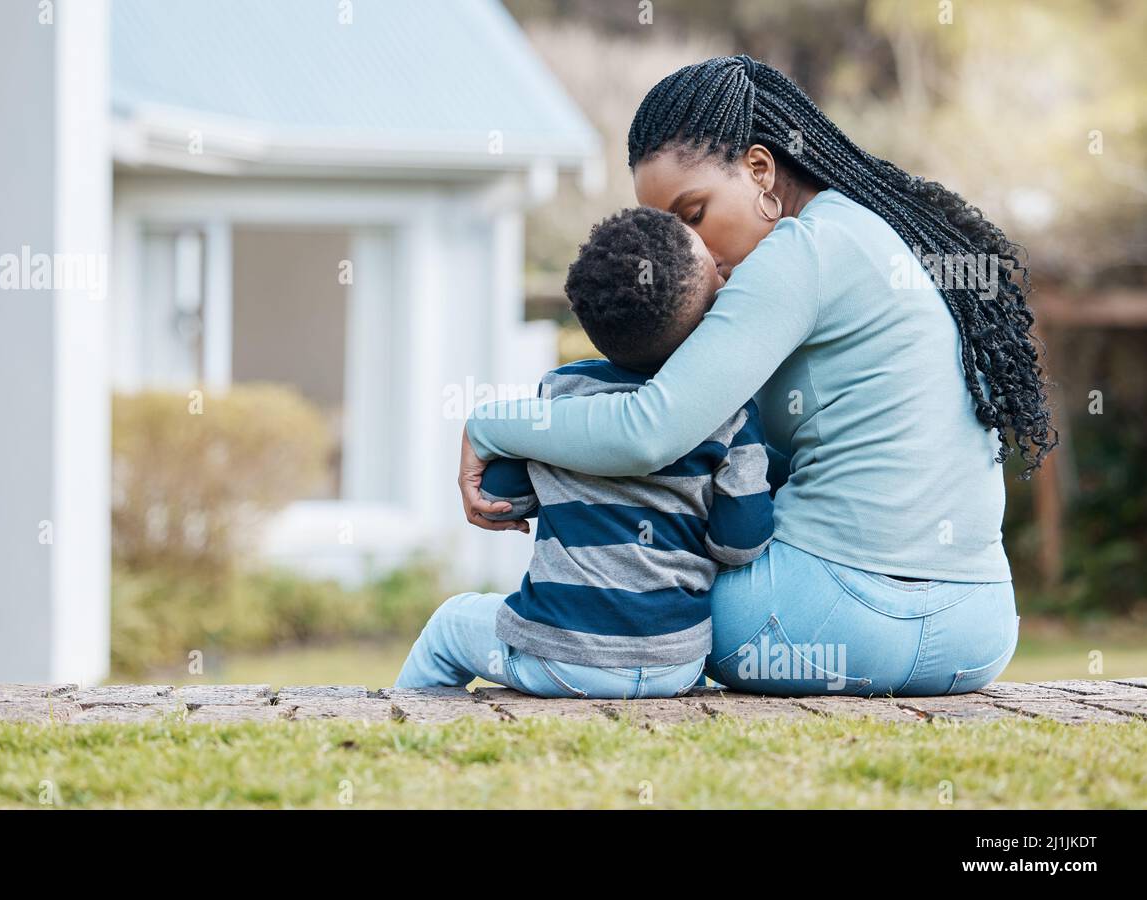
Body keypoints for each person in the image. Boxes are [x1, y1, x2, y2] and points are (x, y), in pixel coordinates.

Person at [459, 56, 1052, 696]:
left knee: (643, 618)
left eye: (693, 215)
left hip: (813, 623)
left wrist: (492, 424)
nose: (690, 252)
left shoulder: (798, 251)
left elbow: (649, 431)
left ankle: (490, 637)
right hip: (978, 631)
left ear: (760, 169)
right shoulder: (884, 234)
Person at [396, 207, 777, 698]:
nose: (724, 269)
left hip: (560, 658)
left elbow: (503, 495)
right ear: (710, 322)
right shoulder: (732, 413)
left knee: (450, 624)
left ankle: (393, 728)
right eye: (715, 268)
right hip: (675, 665)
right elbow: (740, 543)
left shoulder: (563, 392)